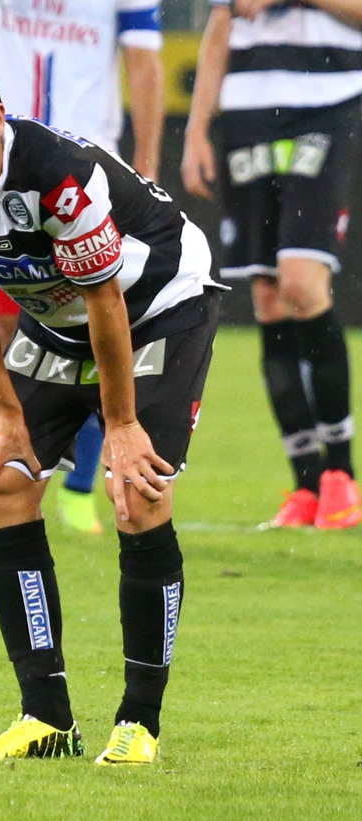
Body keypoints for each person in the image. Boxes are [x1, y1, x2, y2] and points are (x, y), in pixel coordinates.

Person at [0, 45, 223, 764]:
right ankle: (46, 719)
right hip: (58, 316)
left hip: (156, 305)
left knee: (138, 493)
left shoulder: (53, 176)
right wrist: (4, 411)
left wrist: (121, 424)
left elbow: (106, 299)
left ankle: (138, 724)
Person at [0, 0, 165, 538]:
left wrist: (146, 166)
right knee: (5, 332)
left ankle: (81, 493)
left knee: (97, 325)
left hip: (87, 173)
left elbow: (143, 62)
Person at [181, 0, 362, 530]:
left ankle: (341, 475)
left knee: (303, 285)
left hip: (328, 105)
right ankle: (306, 484)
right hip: (247, 116)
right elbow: (221, 24)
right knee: (268, 298)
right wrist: (197, 129)